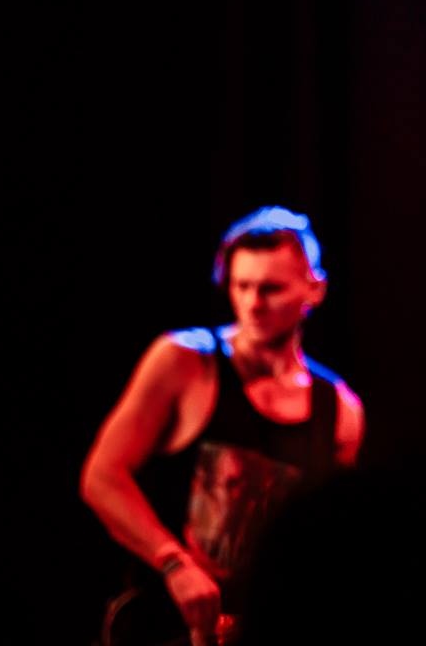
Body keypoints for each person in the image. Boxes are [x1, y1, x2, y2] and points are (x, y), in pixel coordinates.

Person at [81, 206, 365, 645]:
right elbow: (102, 476)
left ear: (315, 289)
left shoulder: (340, 410)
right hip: (161, 627)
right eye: (241, 286)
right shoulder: (185, 362)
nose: (253, 303)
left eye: (270, 288)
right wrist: (173, 562)